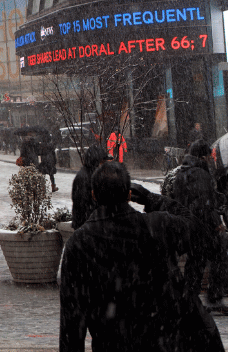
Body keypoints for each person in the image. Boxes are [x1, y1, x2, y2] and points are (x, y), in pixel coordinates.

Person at [60, 160, 223, 351]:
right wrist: (152, 199)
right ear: (129, 194)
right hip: (163, 341)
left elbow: (72, 322)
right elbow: (198, 233)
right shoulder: (157, 226)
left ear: (94, 195)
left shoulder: (79, 244)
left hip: (112, 344)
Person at [171, 141, 227, 302]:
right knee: (218, 254)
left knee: (195, 262)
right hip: (201, 227)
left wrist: (219, 197)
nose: (211, 159)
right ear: (203, 156)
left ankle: (190, 298)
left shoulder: (183, 173)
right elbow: (204, 202)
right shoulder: (200, 174)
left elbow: (196, 197)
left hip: (188, 225)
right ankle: (213, 294)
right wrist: (217, 223)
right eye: (210, 156)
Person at [71, 146, 109, 229]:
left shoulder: (91, 174)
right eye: (103, 162)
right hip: (87, 226)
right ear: (96, 161)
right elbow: (83, 205)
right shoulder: (85, 178)